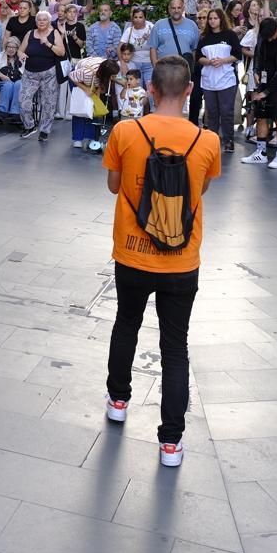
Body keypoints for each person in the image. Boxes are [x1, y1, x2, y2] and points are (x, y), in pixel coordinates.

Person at [101, 55, 221, 467]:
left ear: (150, 90)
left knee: (126, 325)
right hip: (181, 259)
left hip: (132, 253)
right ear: (189, 92)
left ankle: (118, 400)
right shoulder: (207, 140)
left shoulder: (124, 131)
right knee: (174, 347)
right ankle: (170, 441)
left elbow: (114, 186)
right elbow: (199, 190)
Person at [241, 17, 277, 169]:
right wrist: (256, 71)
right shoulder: (264, 35)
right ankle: (261, 153)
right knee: (261, 117)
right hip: (263, 81)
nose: (269, 39)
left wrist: (266, 92)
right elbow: (258, 54)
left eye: (271, 36)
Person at [18, 10, 66, 141]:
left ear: (49, 21)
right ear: (36, 22)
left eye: (44, 20)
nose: (42, 22)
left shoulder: (54, 33)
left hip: (49, 73)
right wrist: (21, 54)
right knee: (23, 101)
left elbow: (61, 52)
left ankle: (44, 130)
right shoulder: (30, 34)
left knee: (49, 104)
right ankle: (30, 125)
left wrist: (49, 44)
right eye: (39, 20)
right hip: (30, 74)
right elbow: (20, 50)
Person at [197, 7, 240, 153]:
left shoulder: (230, 35)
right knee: (212, 112)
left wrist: (223, 60)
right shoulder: (204, 37)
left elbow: (237, 54)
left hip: (226, 79)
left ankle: (229, 140)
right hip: (209, 80)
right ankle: (213, 139)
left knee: (227, 111)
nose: (212, 21)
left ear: (221, 19)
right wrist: (209, 62)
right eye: (210, 18)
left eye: (215, 18)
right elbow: (198, 57)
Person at [67, 57, 119, 150]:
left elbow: (99, 84)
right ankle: (77, 139)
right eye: (113, 76)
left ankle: (91, 137)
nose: (115, 78)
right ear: (107, 75)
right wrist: (85, 88)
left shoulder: (105, 71)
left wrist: (96, 97)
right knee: (80, 109)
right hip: (78, 79)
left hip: (93, 80)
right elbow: (71, 76)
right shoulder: (87, 73)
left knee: (92, 109)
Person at [0, 36, 25, 121]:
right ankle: (1, 111)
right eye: (9, 47)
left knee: (18, 84)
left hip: (17, 82)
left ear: (17, 48)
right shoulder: (1, 55)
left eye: (13, 47)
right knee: (8, 85)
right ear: (6, 47)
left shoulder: (21, 57)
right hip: (3, 83)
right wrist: (1, 75)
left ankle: (15, 112)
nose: (11, 49)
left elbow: (25, 72)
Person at [122, 6, 155, 86]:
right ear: (132, 18)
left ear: (145, 18)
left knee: (151, 90)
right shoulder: (129, 30)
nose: (137, 19)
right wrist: (122, 63)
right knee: (136, 91)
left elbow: (158, 44)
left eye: (140, 17)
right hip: (134, 64)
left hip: (149, 64)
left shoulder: (151, 27)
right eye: (135, 17)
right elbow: (120, 47)